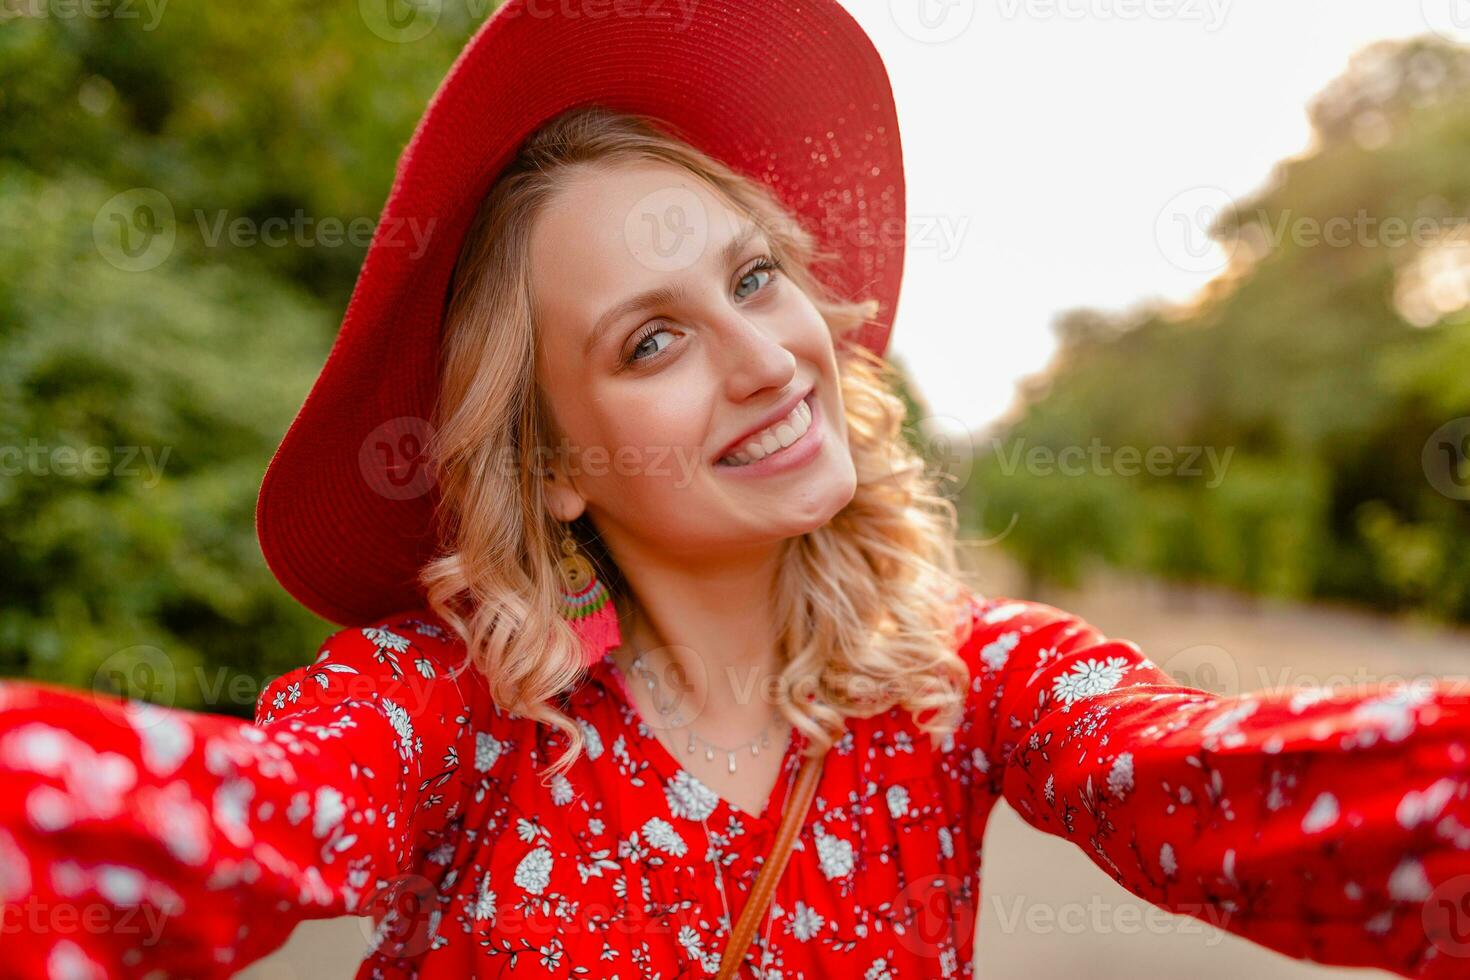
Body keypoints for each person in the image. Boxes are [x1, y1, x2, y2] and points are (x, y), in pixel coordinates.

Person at [3, 2, 1470, 978]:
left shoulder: (975, 680)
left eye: (753, 277)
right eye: (650, 341)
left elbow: (1238, 794)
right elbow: (236, 818)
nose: (765, 360)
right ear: (555, 466)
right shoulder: (437, 703)